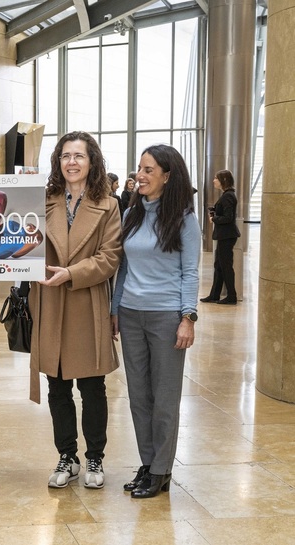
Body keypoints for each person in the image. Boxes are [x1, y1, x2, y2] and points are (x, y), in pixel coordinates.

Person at [28, 131, 122, 490]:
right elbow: (22, 241)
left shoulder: (109, 205)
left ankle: (95, 456)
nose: (71, 162)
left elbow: (110, 257)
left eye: (79, 156)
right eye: (65, 156)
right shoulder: (43, 200)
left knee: (92, 386)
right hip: (50, 301)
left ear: (92, 161)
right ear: (58, 162)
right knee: (57, 385)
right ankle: (67, 456)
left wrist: (71, 273)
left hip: (85, 301)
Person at [111, 144, 200, 499]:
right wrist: (116, 310)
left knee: (164, 398)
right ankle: (147, 464)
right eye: (139, 168)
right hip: (131, 315)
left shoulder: (183, 217)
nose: (140, 175)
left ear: (167, 175)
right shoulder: (132, 213)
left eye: (149, 170)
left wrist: (188, 317)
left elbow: (190, 271)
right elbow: (124, 268)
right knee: (139, 397)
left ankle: (162, 470)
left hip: (166, 317)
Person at [201, 169, 240, 305]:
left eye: (216, 178)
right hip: (224, 235)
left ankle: (231, 296)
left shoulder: (228, 196)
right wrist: (215, 211)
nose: (213, 181)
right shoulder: (227, 195)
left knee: (225, 266)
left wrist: (214, 218)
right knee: (219, 265)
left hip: (227, 236)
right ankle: (214, 294)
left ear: (223, 180)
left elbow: (228, 218)